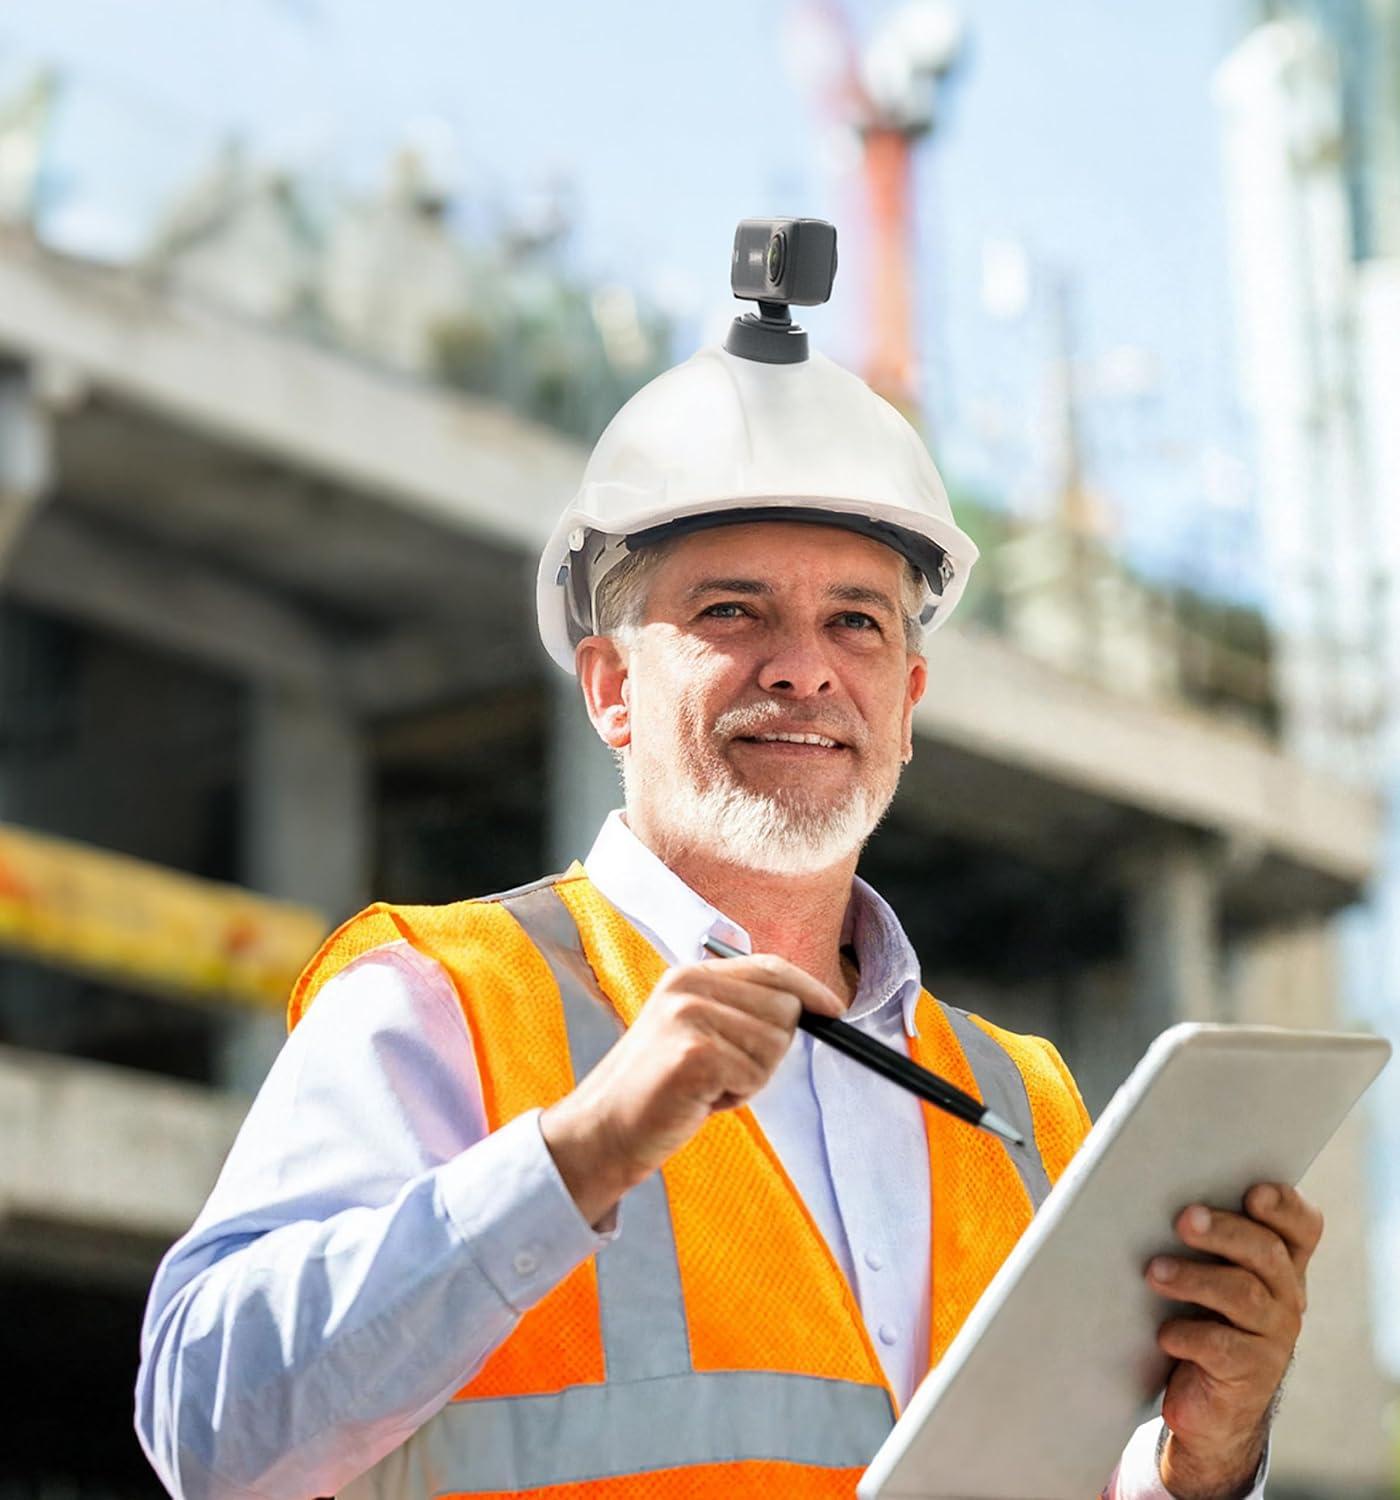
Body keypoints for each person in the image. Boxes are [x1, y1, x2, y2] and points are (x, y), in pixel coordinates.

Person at [135, 231, 1321, 1500]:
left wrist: (1205, 1464)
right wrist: (577, 1154)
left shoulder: (1026, 1109)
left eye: (855, 621)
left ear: (907, 702)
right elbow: (209, 1431)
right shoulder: (444, 1001)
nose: (804, 667)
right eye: (731, 611)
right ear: (610, 687)